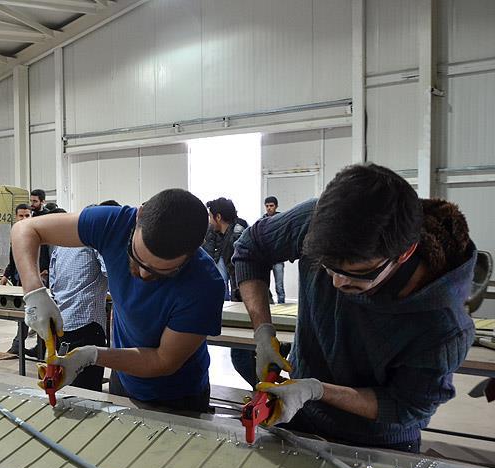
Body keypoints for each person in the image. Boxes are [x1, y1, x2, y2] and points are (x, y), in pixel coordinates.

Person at [232, 164, 476, 453]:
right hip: (297, 413)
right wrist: (263, 331)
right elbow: (251, 248)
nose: (337, 282)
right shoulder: (317, 222)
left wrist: (317, 390)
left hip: (376, 440)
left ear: (405, 253)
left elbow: (406, 406)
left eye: (357, 272)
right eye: (328, 267)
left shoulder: (443, 325)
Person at [12, 189, 226, 412]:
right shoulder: (115, 224)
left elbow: (162, 361)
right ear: (139, 216)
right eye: (138, 257)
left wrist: (92, 355)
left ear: (192, 253)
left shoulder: (205, 285)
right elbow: (25, 229)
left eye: (160, 272)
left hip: (178, 396)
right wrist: (34, 292)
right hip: (122, 378)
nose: (143, 274)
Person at [46, 205, 109, 392]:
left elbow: (53, 284)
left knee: (68, 381)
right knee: (89, 389)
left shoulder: (62, 246)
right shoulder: (95, 243)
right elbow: (110, 273)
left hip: (63, 322)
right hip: (88, 324)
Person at [3, 204, 50, 355]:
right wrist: (6, 275)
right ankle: (19, 345)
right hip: (20, 283)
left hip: (38, 283)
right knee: (24, 315)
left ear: (31, 216)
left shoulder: (39, 235)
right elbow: (14, 260)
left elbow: (48, 257)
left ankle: (40, 348)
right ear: (16, 217)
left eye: (27, 215)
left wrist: (46, 271)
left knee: (41, 315)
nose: (24, 219)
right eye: (21, 216)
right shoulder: (15, 236)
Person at [202, 197, 248, 301]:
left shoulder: (235, 238)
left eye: (210, 217)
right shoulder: (228, 236)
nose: (210, 222)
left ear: (218, 217)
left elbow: (242, 274)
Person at [262, 196, 285, 304]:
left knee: (279, 286)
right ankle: (269, 305)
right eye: (267, 206)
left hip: (278, 257)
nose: (269, 208)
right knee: (264, 285)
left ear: (276, 206)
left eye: (271, 206)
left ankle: (282, 307)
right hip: (266, 258)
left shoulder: (282, 219)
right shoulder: (262, 221)